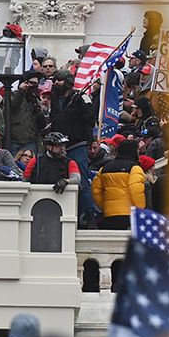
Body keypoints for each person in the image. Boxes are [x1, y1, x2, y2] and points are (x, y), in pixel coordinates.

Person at [49, 68, 98, 226]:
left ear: (69, 82)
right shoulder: (54, 99)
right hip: (58, 145)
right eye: (55, 80)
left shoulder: (81, 96)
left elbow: (91, 119)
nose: (56, 83)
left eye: (60, 80)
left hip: (76, 144)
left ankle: (90, 214)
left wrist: (81, 104)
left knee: (81, 179)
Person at [92, 140, 148, 229]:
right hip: (129, 215)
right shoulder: (135, 168)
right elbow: (136, 190)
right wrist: (141, 209)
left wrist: (104, 206)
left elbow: (95, 190)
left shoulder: (104, 168)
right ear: (133, 151)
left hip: (109, 214)